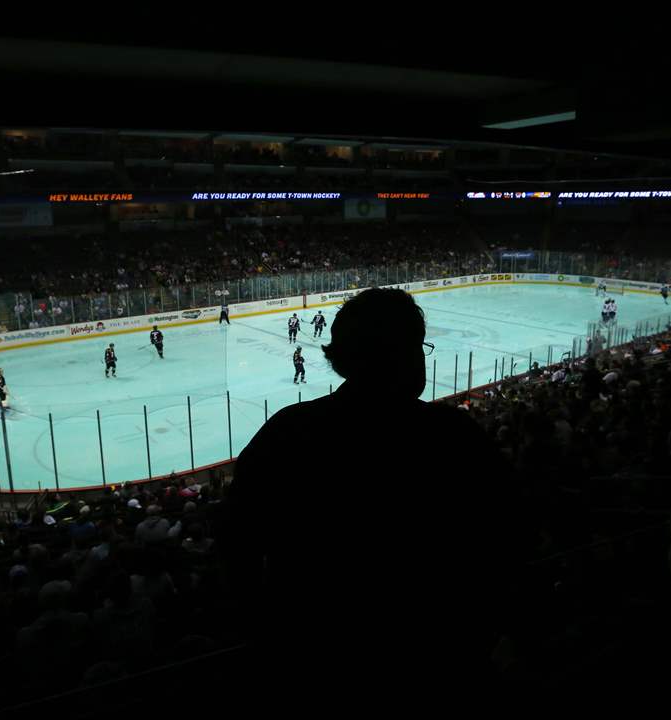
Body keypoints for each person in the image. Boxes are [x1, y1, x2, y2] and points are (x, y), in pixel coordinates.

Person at [224, 288, 529, 698]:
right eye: (415, 348)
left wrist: (270, 636)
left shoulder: (288, 433)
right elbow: (508, 534)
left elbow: (235, 543)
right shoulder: (452, 436)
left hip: (313, 659)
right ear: (400, 356)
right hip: (437, 658)